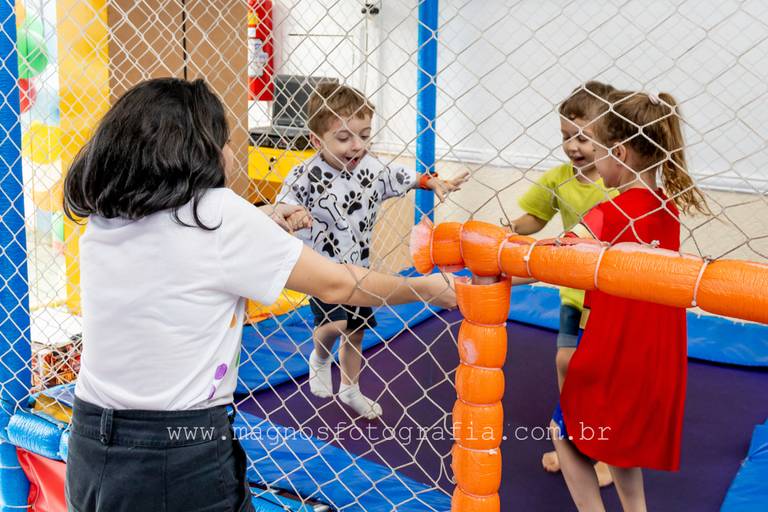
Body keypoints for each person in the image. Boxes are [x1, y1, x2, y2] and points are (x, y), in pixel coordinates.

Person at [62, 78, 456, 512]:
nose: (231, 153)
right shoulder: (218, 214)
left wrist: (260, 217)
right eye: (225, 142)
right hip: (177, 449)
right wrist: (425, 289)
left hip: (89, 439)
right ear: (198, 152)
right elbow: (337, 284)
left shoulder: (108, 215)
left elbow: (180, 247)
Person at [552, 90, 709, 512]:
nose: (592, 159)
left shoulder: (609, 212)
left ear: (618, 152)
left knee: (562, 433)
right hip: (654, 354)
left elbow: (558, 253)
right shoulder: (667, 209)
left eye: (597, 149)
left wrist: (506, 259)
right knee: (619, 441)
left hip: (611, 349)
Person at [276, 83, 468, 419]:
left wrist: (431, 181)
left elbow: (400, 177)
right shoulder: (304, 175)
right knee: (336, 324)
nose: (357, 145)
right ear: (316, 141)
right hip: (322, 270)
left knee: (356, 331)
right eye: (344, 138)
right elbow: (284, 203)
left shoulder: (371, 169)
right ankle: (320, 355)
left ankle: (351, 388)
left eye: (364, 135)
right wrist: (292, 214)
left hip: (360, 269)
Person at [505, 81, 616, 485]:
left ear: (610, 137)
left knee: (604, 374)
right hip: (574, 293)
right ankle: (572, 440)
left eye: (583, 138)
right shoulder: (558, 179)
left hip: (613, 296)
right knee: (566, 363)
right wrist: (506, 230)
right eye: (567, 136)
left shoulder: (617, 181)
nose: (573, 147)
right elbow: (535, 219)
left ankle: (606, 454)